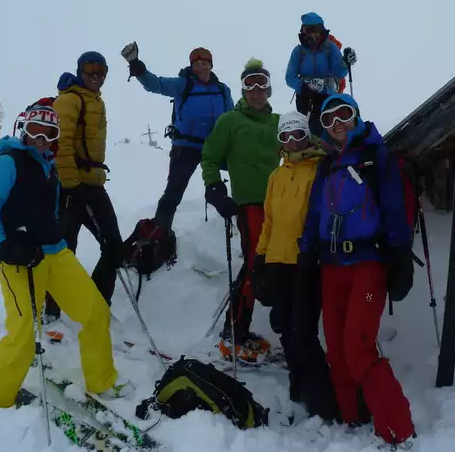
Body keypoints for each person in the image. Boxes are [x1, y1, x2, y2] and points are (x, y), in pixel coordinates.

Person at [0, 103, 119, 408]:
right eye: (34, 131)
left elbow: (47, 209)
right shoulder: (8, 161)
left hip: (56, 253)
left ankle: (101, 382)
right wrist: (5, 245)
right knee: (24, 335)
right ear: (23, 130)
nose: (40, 139)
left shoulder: (48, 165)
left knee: (95, 313)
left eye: (48, 133)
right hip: (20, 261)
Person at [298, 93, 416, 448]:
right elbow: (316, 214)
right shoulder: (325, 165)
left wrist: (400, 255)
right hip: (331, 267)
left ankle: (399, 431)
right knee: (335, 349)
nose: (337, 123)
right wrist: (306, 255)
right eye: (329, 118)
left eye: (343, 114)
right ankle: (353, 419)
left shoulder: (376, 157)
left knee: (358, 347)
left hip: (367, 264)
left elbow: (395, 208)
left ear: (356, 116)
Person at [251, 111, 339, 421]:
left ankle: (324, 399)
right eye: (285, 136)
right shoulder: (277, 176)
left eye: (297, 135)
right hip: (277, 262)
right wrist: (260, 259)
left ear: (307, 136)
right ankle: (299, 385)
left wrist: (314, 253)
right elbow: (269, 222)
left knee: (303, 332)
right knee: (284, 329)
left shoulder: (320, 170)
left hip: (306, 263)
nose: (291, 141)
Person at [201, 58, 281, 362]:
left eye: (262, 84)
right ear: (243, 90)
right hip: (249, 205)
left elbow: (306, 146)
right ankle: (233, 334)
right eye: (250, 85)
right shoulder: (230, 121)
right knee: (252, 264)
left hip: (280, 206)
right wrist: (214, 188)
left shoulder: (277, 123)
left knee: (275, 264)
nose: (257, 91)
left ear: (270, 89)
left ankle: (246, 330)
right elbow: (209, 156)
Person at [44, 51, 125, 322]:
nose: (95, 75)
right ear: (79, 71)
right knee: (64, 250)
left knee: (114, 245)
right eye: (89, 69)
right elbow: (60, 143)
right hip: (70, 186)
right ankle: (52, 312)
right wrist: (71, 185)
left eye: (100, 70)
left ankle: (95, 304)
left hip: (91, 184)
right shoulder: (69, 99)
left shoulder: (96, 101)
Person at [119, 42, 234, 231]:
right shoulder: (183, 84)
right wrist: (137, 67)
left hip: (215, 147)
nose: (201, 66)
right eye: (197, 64)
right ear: (192, 67)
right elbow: (155, 84)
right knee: (173, 192)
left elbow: (231, 117)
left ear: (211, 65)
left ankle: (243, 211)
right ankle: (159, 234)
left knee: (242, 169)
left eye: (205, 62)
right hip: (186, 146)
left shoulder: (222, 89)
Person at [284, 12, 354, 136]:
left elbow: (340, 72)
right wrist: (303, 86)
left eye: (315, 29)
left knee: (325, 128)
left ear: (321, 30)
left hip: (327, 95)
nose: (312, 34)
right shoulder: (299, 51)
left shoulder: (330, 48)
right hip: (305, 97)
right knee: (307, 129)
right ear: (303, 31)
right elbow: (290, 77)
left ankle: (329, 151)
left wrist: (346, 62)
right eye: (308, 30)